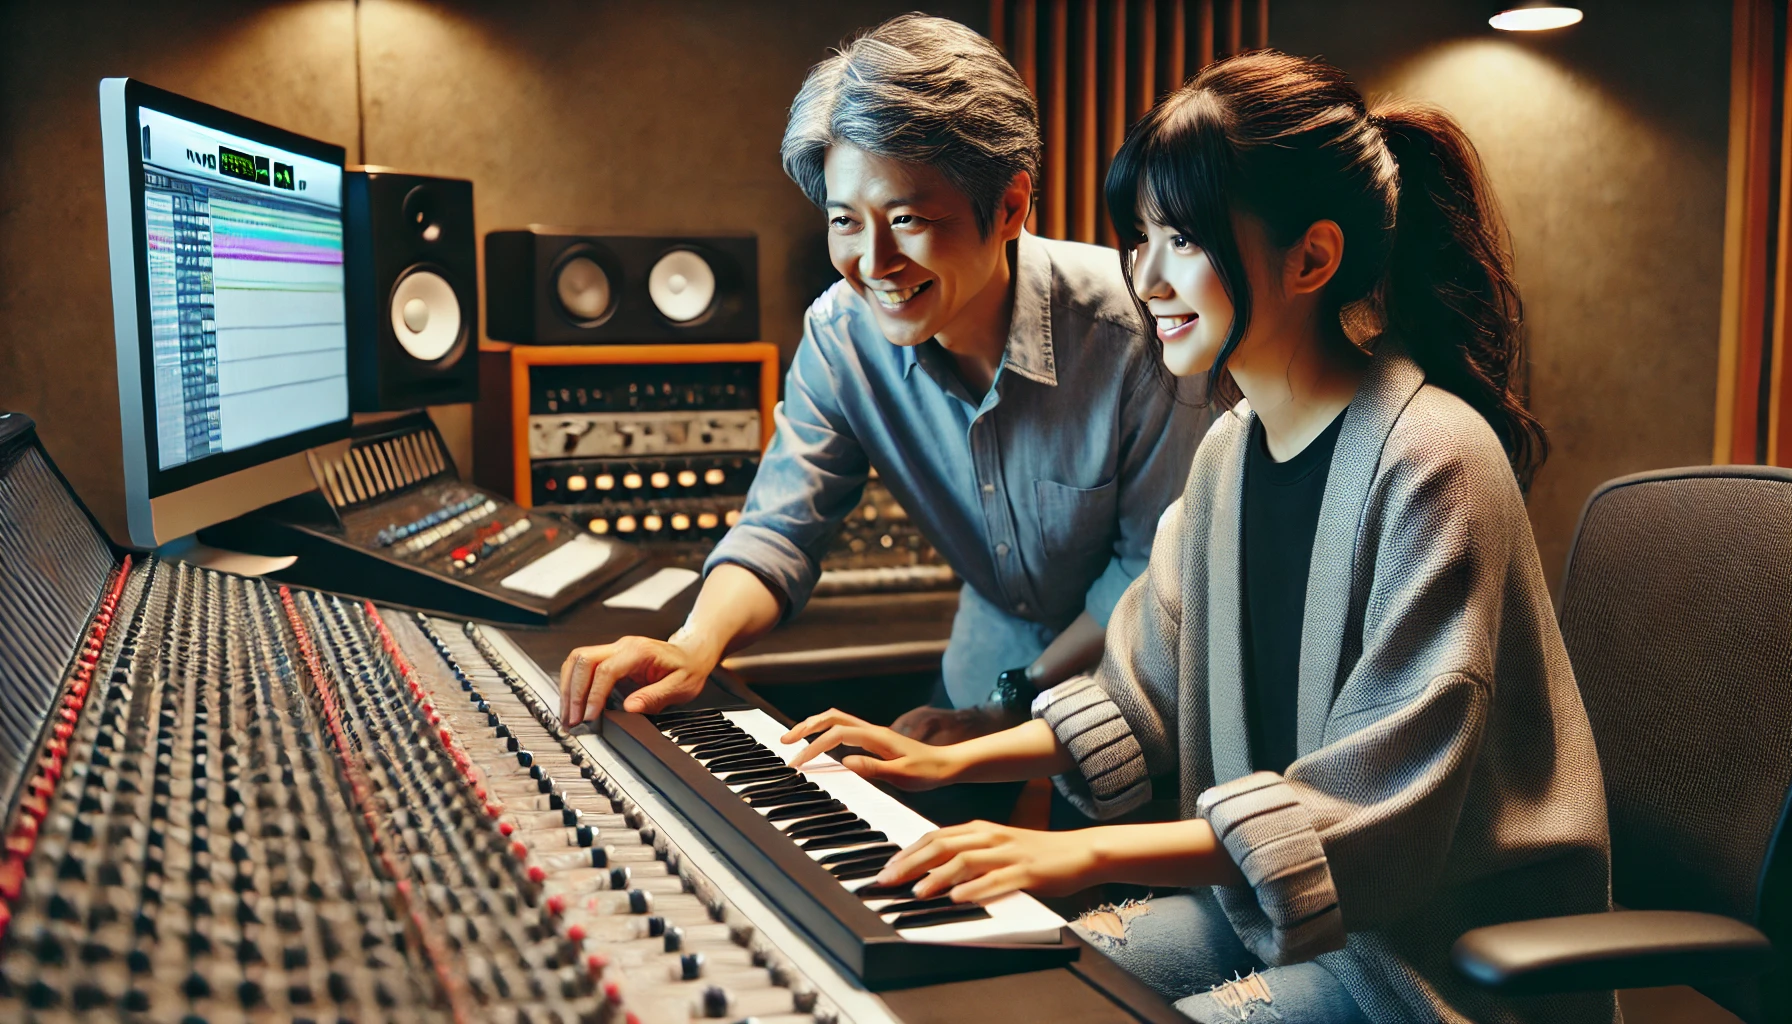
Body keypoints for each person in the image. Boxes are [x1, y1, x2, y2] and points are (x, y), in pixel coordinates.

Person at [776, 51, 1615, 1024]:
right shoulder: (1227, 452)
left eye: (1184, 240)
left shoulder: (1434, 457)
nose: (1147, 276)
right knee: (1026, 983)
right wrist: (955, 757)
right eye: (1141, 237)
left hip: (1427, 958)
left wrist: (1082, 849)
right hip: (1268, 911)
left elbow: (1378, 803)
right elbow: (1143, 690)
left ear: (1311, 259)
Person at [559, 14, 1204, 748]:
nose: (874, 262)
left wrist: (1009, 703)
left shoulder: (1137, 333)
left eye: (906, 218)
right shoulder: (840, 334)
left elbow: (1145, 577)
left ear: (1011, 207)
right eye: (845, 221)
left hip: (1134, 689)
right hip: (985, 663)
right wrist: (695, 643)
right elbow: (779, 529)